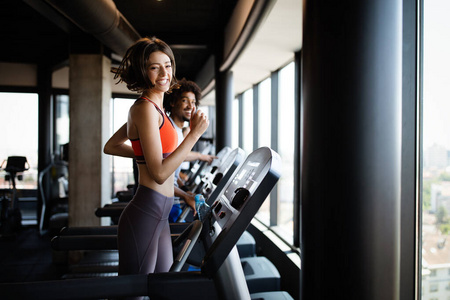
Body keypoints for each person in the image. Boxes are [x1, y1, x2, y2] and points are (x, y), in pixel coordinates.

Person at [104, 37, 209, 283]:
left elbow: (113, 146)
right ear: (144, 71)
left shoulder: (157, 109)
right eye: (154, 67)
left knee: (163, 287)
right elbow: (160, 172)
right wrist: (193, 135)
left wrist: (145, 157)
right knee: (134, 293)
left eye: (168, 65)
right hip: (146, 210)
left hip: (161, 211)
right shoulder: (144, 109)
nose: (164, 72)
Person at [163, 78, 217, 221]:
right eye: (185, 100)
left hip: (172, 200)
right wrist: (186, 195)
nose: (190, 106)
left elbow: (173, 174)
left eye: (193, 102)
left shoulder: (178, 132)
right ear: (173, 102)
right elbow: (162, 177)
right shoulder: (169, 131)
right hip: (164, 204)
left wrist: (186, 191)